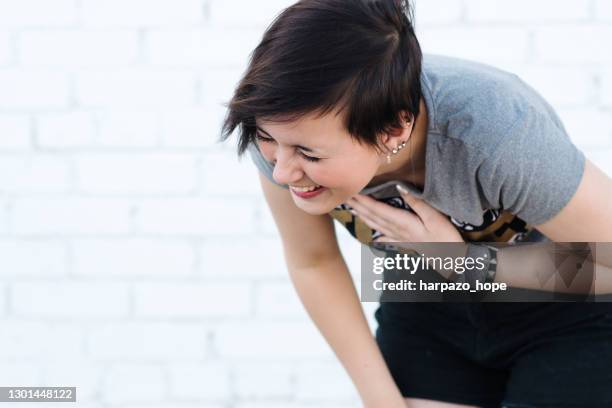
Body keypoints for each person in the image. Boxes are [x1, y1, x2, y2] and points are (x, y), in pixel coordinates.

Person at [220, 1, 612, 407]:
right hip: (425, 297)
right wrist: (381, 400)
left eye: (310, 155)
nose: (281, 172)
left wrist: (467, 262)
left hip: (563, 310)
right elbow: (313, 262)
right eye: (268, 139)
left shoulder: (501, 136)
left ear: (394, 128)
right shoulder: (281, 132)